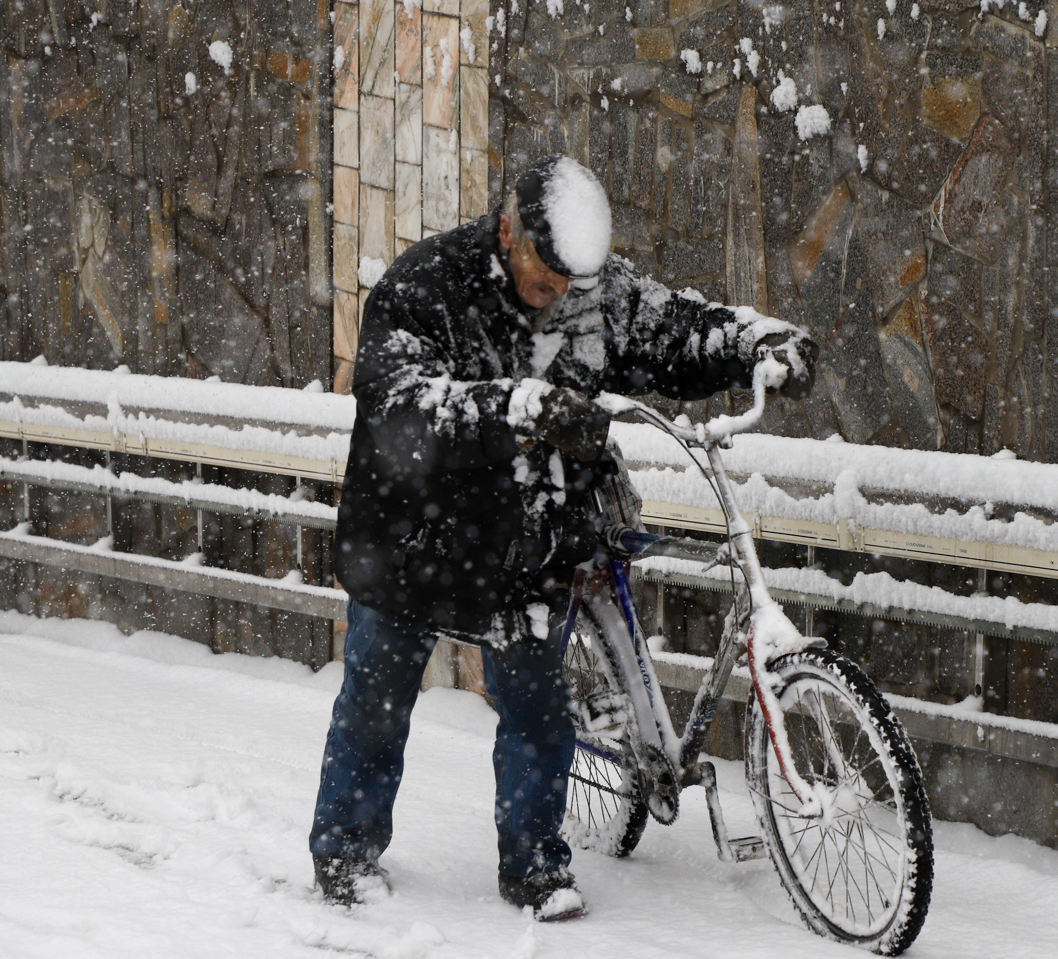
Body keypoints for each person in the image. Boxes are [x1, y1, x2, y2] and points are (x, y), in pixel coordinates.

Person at [311, 155, 816, 919]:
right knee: (377, 705)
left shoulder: (592, 292)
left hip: (524, 542)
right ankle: (345, 853)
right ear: (508, 229)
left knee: (539, 712)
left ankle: (537, 869)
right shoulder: (423, 290)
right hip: (413, 540)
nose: (559, 298)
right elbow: (404, 412)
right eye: (545, 279)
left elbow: (668, 328)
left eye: (573, 286)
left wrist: (754, 341)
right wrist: (519, 408)